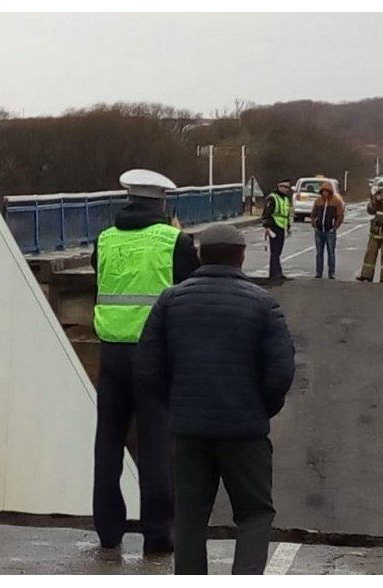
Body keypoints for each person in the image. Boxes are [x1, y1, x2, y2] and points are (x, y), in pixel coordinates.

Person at [135, 224, 295, 575]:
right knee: (254, 512)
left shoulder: (170, 300)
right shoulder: (263, 304)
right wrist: (262, 409)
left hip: (188, 430)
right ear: (240, 256)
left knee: (191, 515)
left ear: (200, 256)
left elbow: (147, 366)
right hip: (244, 431)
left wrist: (174, 404)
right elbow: (281, 371)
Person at [90, 168, 200, 556]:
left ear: (128, 199)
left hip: (111, 352)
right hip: (153, 353)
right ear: (163, 203)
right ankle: (157, 534)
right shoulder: (175, 241)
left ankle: (108, 530)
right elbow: (190, 288)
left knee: (108, 442)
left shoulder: (104, 240)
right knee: (156, 446)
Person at [357, 180, 383, 283]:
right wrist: (374, 201)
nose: (381, 191)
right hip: (375, 231)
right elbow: (370, 211)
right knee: (370, 254)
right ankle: (366, 275)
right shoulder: (375, 197)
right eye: (380, 189)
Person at [310, 181, 344, 279]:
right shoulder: (318, 201)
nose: (325, 193)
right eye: (323, 191)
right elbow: (313, 214)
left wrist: (334, 228)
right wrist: (314, 225)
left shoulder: (336, 202)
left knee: (331, 253)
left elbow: (340, 216)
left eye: (327, 191)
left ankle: (331, 272)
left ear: (330, 192)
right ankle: (318, 272)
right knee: (319, 253)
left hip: (330, 231)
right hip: (319, 231)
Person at [261, 179, 293, 281]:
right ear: (279, 186)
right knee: (274, 251)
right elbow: (266, 213)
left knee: (278, 251)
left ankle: (277, 272)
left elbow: (286, 214)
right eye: (285, 187)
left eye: (288, 187)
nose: (286, 189)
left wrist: (288, 227)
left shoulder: (286, 199)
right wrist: (267, 227)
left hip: (281, 226)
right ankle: (274, 273)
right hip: (274, 226)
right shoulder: (272, 198)